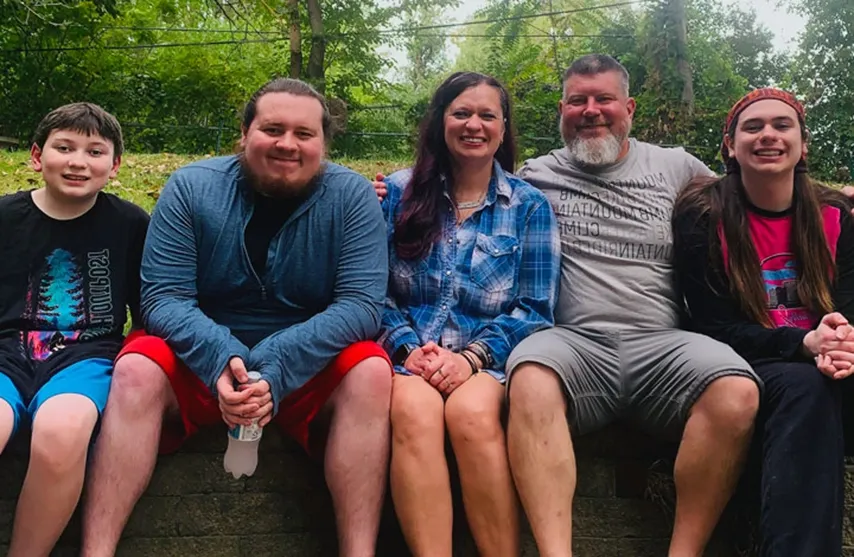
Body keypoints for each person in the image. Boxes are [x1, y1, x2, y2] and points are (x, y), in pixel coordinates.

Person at [79, 78, 393, 557]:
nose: (288, 144)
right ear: (244, 134)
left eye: (304, 134)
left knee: (371, 371)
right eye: (273, 128)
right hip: (200, 355)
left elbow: (362, 305)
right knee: (136, 369)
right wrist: (222, 357)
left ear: (324, 144)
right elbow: (162, 297)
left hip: (307, 360)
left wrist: (274, 365)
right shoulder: (191, 187)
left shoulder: (351, 198)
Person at [502, 54, 762, 557]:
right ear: (562, 109)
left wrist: (833, 198)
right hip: (573, 345)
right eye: (578, 100)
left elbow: (753, 196)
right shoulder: (535, 175)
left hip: (664, 345)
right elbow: (467, 195)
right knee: (530, 377)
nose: (591, 110)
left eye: (604, 99)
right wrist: (388, 190)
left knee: (737, 392)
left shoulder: (677, 166)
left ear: (630, 108)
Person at [379, 71, 560, 556]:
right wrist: (408, 349)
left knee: (472, 414)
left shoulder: (528, 206)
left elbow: (536, 307)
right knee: (412, 412)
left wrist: (471, 359)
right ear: (441, 121)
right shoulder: (396, 194)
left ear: (503, 128)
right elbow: (372, 292)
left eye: (487, 115)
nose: (473, 124)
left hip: (487, 358)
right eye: (461, 113)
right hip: (408, 354)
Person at [672, 88, 854, 557]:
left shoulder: (836, 214)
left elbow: (848, 306)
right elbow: (712, 325)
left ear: (803, 143)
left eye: (781, 125)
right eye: (753, 127)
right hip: (752, 363)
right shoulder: (703, 215)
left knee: (823, 384)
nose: (768, 135)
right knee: (807, 388)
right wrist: (803, 343)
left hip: (828, 362)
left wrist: (839, 341)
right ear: (729, 146)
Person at [0, 102, 149, 557]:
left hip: (85, 357)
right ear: (36, 155)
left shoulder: (131, 224)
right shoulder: (5, 216)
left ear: (115, 165)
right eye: (63, 148)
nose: (78, 161)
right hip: (5, 352)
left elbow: (149, 309)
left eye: (95, 151)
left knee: (62, 431)